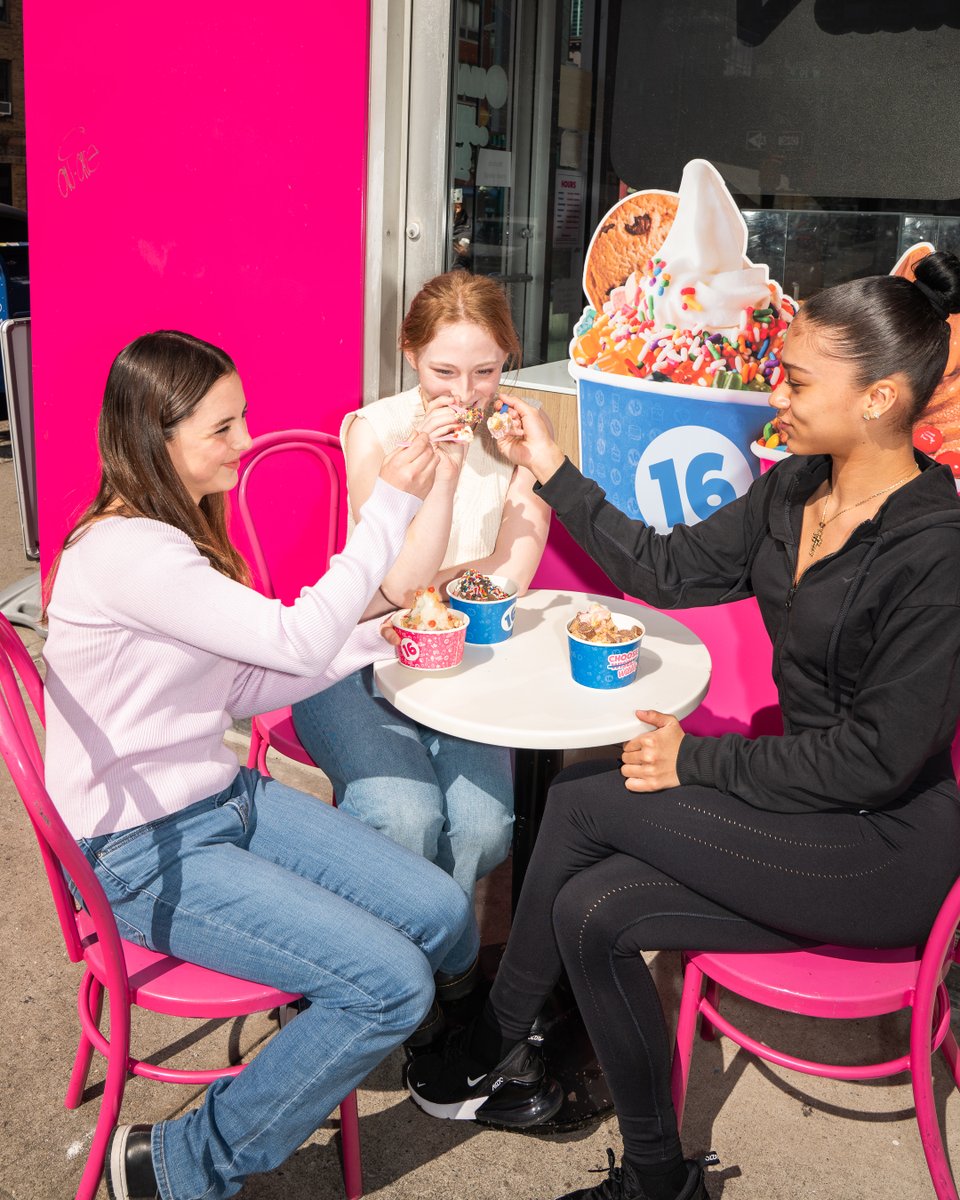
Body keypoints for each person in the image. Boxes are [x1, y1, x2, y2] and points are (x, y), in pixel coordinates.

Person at [406, 250, 960, 1200]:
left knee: (584, 795)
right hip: (806, 807)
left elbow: (878, 760)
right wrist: (555, 471)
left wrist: (698, 762)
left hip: (885, 848)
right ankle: (657, 1179)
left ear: (879, 400)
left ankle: (491, 1043)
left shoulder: (936, 547)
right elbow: (666, 572)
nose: (770, 396)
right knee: (590, 911)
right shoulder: (795, 491)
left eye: (792, 380)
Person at [42, 330, 472, 1200]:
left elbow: (244, 681)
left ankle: (363, 1023)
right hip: (139, 850)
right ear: (156, 438)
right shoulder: (130, 554)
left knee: (440, 908)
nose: (246, 443)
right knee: (392, 986)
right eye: (224, 429)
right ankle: (179, 1163)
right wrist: (388, 506)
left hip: (219, 797)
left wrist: (378, 636)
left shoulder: (173, 531)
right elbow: (291, 637)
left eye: (244, 421)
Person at [291, 272, 551, 1037]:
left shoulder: (515, 433)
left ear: (508, 360)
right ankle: (394, 976)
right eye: (444, 371)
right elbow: (396, 586)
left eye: (486, 370)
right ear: (410, 356)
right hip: (355, 659)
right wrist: (460, 576)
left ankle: (424, 971)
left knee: (481, 829)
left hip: (461, 661)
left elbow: (521, 559)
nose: (465, 392)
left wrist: (454, 587)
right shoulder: (376, 431)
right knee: (402, 815)